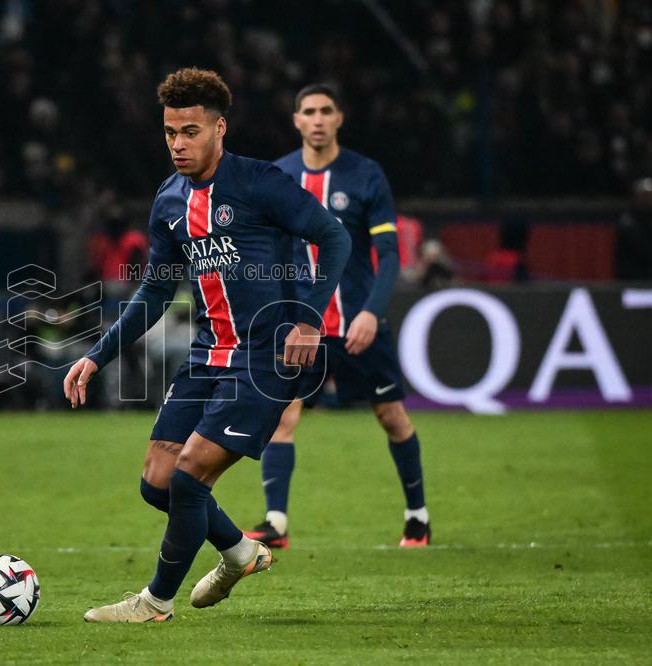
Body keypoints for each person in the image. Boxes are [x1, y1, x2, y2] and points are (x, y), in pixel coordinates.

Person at [62, 68, 351, 623]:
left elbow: (333, 236)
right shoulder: (169, 198)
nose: (177, 143)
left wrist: (310, 321)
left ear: (220, 128)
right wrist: (97, 355)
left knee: (191, 474)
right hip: (209, 353)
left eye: (190, 131)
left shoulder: (260, 183)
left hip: (266, 358)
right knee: (158, 482)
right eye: (170, 131)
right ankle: (240, 552)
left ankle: (155, 602)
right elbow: (154, 288)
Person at [244, 84, 432, 550]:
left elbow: (388, 256)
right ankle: (276, 523)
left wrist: (371, 312)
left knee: (391, 416)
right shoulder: (280, 175)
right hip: (300, 327)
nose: (318, 119)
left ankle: (417, 517)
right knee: (282, 418)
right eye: (309, 111)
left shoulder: (366, 175)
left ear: (339, 118)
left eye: (327, 110)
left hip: (356, 326)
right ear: (296, 121)